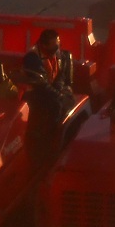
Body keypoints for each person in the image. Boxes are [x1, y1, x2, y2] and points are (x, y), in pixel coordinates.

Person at [22, 29, 78, 162]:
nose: (57, 48)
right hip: (35, 93)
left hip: (52, 90)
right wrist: (58, 95)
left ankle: (61, 136)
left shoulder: (60, 55)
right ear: (43, 45)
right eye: (54, 45)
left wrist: (59, 90)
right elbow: (41, 85)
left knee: (68, 100)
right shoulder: (32, 58)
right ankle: (46, 144)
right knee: (56, 104)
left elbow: (61, 76)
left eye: (58, 44)